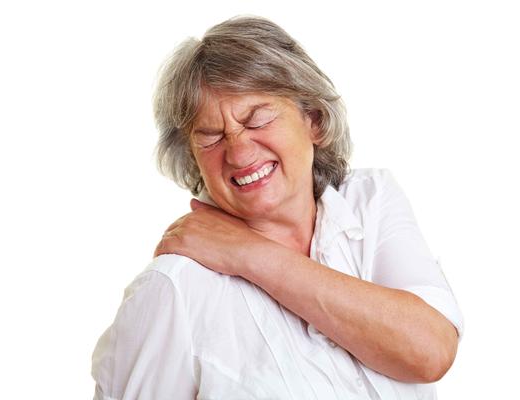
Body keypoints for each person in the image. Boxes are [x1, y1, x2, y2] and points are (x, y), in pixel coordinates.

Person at [92, 16, 464, 400]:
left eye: (257, 120)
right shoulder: (173, 287)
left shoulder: (370, 200)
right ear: (192, 159)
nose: (239, 153)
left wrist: (250, 255)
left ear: (313, 120)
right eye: (211, 137)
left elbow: (431, 352)